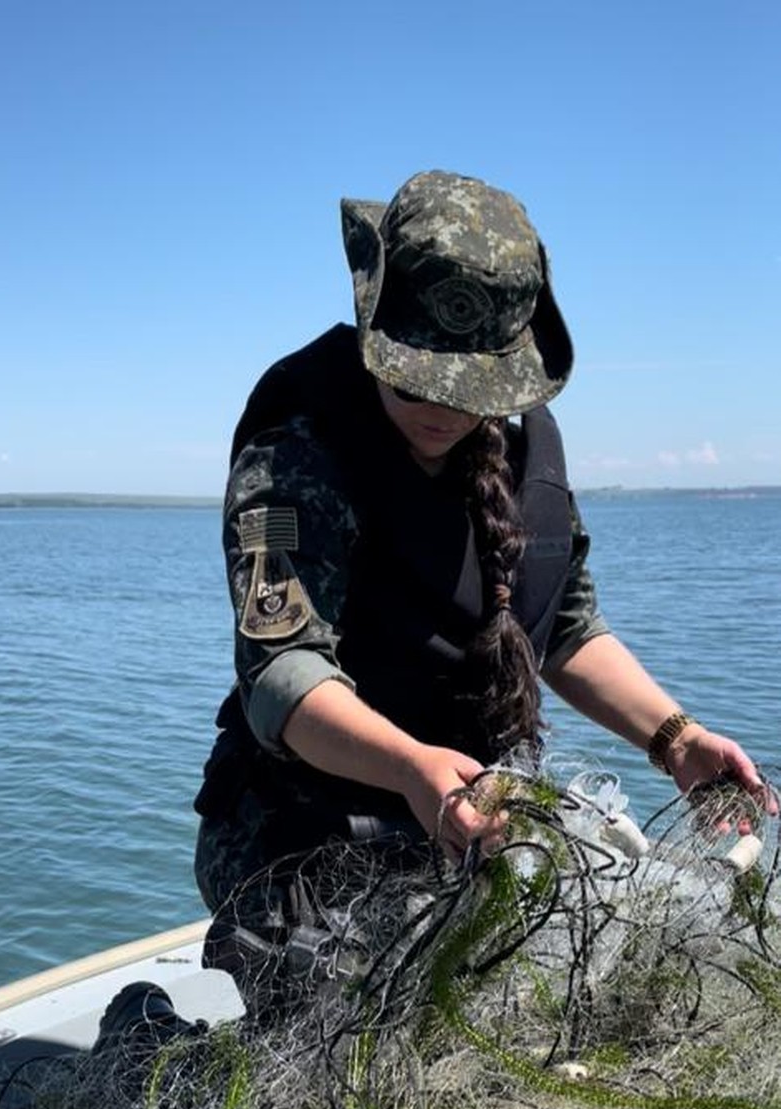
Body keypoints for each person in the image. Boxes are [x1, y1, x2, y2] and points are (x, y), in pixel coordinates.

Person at [194, 169, 769, 1011]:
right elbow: (283, 678)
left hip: (484, 816)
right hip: (306, 831)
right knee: (364, 1031)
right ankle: (148, 1025)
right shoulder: (292, 457)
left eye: (468, 392)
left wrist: (674, 738)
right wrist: (412, 768)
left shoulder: (530, 452)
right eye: (414, 377)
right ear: (373, 329)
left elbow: (566, 626)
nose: (439, 407)